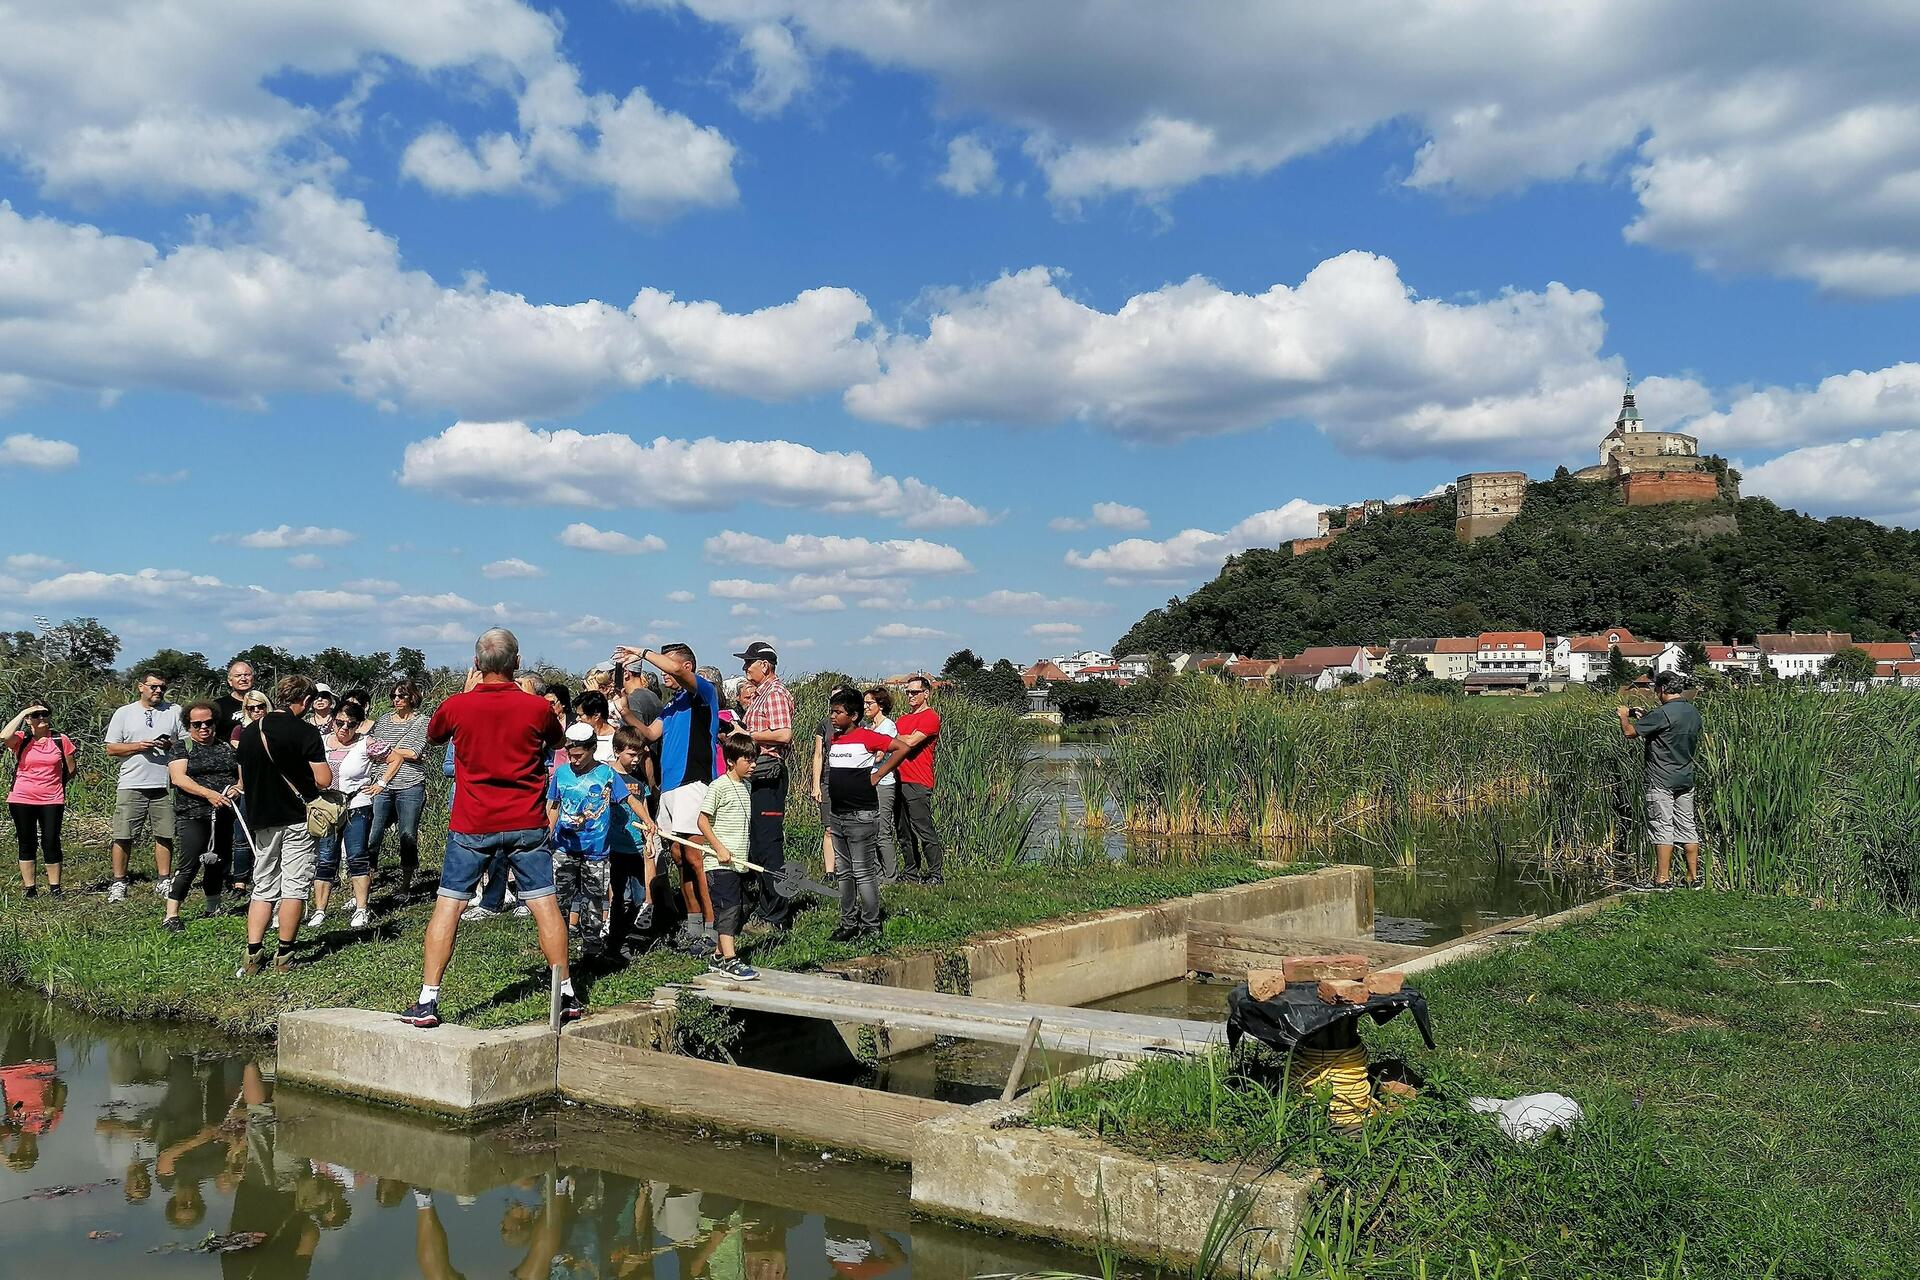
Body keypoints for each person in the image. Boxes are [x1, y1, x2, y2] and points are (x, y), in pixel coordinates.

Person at [406, 628, 573, 1028]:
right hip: (526, 821)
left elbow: (433, 736)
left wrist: (464, 693)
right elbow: (556, 740)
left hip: (472, 822)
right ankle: (564, 992)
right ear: (517, 663)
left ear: (477, 664)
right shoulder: (537, 708)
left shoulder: (457, 706)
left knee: (449, 904)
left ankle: (428, 1000)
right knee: (544, 904)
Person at [611, 642, 719, 954]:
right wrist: (627, 712)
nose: (663, 673)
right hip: (670, 788)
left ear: (687, 667)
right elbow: (651, 734)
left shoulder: (703, 694)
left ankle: (712, 929)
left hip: (693, 782)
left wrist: (642, 653)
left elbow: (673, 668)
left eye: (668, 666)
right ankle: (693, 923)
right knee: (676, 854)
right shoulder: (673, 705)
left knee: (696, 857)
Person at [233, 676, 332, 975]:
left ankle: (253, 954)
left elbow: (244, 778)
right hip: (297, 816)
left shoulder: (249, 733)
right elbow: (324, 780)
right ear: (303, 700)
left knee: (263, 885)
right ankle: (285, 955)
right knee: (294, 886)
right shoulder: (305, 732)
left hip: (262, 817)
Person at [549, 721, 649, 961]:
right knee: (560, 899)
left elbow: (629, 800)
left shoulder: (607, 774)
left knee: (593, 900)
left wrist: (647, 820)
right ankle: (557, 949)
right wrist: (546, 833)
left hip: (596, 851)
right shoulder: (562, 774)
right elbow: (553, 806)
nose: (574, 761)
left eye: (579, 756)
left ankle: (592, 951)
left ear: (592, 749)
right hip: (564, 848)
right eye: (570, 756)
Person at [1618, 669, 1705, 890]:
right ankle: (1693, 878)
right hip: (1684, 777)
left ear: (1663, 689)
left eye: (1656, 688)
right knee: (1687, 825)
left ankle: (1662, 880)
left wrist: (1623, 715)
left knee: (1662, 826)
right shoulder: (1692, 712)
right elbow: (1669, 728)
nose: (1656, 692)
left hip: (1660, 779)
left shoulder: (1663, 713)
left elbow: (1630, 733)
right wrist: (1646, 716)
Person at [103, 670, 184, 903]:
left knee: (165, 833)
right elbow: (111, 748)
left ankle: (164, 879)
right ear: (141, 687)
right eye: (154, 686)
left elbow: (186, 743)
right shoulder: (125, 713)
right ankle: (119, 882)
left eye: (162, 688)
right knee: (123, 834)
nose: (158, 691)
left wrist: (169, 744)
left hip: (164, 783)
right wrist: (139, 746)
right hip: (131, 782)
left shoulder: (174, 711)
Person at [823, 689, 895, 943]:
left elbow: (901, 747)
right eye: (832, 711)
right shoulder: (835, 740)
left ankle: (871, 924)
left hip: (861, 815)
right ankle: (848, 922)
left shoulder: (867, 737)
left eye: (838, 712)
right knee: (844, 872)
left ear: (853, 715)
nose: (833, 716)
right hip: (838, 815)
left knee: (863, 872)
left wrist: (877, 774)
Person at [162, 702, 239, 930]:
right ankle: (171, 914)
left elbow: (240, 776)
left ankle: (212, 906)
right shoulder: (182, 748)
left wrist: (237, 788)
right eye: (197, 724)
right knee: (190, 863)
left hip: (223, 814)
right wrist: (208, 794)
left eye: (209, 722)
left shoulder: (225, 748)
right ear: (189, 726)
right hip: (193, 814)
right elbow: (179, 778)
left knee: (218, 861)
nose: (204, 727)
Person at [735, 642, 795, 929]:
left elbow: (784, 734)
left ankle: (776, 914)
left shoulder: (775, 693)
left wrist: (746, 734)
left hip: (769, 773)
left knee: (769, 845)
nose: (745, 668)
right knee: (757, 845)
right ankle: (766, 907)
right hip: (757, 773)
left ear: (765, 665)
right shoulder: (761, 695)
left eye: (750, 663)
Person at [696, 734, 761, 979]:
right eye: (748, 760)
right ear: (731, 761)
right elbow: (702, 821)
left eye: (755, 759)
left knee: (744, 906)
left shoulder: (747, 785)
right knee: (729, 908)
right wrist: (719, 848)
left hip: (740, 862)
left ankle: (718, 955)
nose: (753, 765)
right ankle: (730, 960)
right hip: (719, 862)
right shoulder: (719, 786)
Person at [309, 700, 375, 930]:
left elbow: (394, 758)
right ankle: (319, 910)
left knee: (357, 855)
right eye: (340, 722)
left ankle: (361, 908)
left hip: (356, 804)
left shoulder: (366, 743)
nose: (344, 728)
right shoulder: (321, 743)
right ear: (333, 720)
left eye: (351, 724)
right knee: (326, 858)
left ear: (359, 725)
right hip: (328, 806)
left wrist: (381, 783)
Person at [875, 675, 944, 885]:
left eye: (914, 692)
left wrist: (890, 739)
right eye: (907, 692)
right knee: (902, 830)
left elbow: (911, 742)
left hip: (918, 781)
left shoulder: (930, 717)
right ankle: (911, 872)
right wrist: (893, 739)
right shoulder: (903, 720)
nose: (910, 696)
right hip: (898, 779)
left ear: (926, 693)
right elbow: (896, 741)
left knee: (923, 828)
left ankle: (935, 874)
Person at [366, 681, 430, 892]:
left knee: (408, 834)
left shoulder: (422, 721)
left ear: (412, 697)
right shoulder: (384, 720)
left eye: (401, 696)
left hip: (410, 784)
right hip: (381, 784)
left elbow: (415, 751)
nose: (396, 700)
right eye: (393, 695)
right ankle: (367, 879)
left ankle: (406, 883)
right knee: (373, 833)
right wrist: (394, 751)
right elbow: (373, 749)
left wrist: (387, 750)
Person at [6, 702, 76, 896]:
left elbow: (71, 770)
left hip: (52, 798)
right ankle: (30, 888)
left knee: (51, 840)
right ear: (28, 719)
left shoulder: (60, 739)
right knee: (26, 841)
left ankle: (55, 887)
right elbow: (4, 736)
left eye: (45, 714)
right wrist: (22, 713)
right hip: (21, 797)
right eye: (36, 715)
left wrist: (54, 784)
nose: (41, 718)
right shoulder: (22, 738)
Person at [606, 726, 659, 952]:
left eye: (639, 754)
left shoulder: (639, 780)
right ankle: (614, 938)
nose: (636, 759)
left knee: (639, 896)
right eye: (631, 754)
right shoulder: (606, 775)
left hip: (636, 846)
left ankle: (633, 937)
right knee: (619, 895)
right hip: (614, 845)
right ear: (617, 751)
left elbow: (644, 806)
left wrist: (648, 835)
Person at [862, 687, 901, 883]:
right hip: (868, 782)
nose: (865, 706)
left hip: (884, 783)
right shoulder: (869, 729)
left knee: (883, 831)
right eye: (865, 703)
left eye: (869, 703)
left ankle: (890, 876)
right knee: (870, 829)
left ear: (881, 705)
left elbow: (878, 754)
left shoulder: (888, 726)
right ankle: (876, 873)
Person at [213, 660, 255, 741]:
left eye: (247, 675)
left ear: (253, 678)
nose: (243, 679)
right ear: (230, 681)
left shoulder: (263, 702)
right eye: (238, 675)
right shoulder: (218, 705)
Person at [573, 690, 618, 764]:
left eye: (581, 715)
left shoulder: (617, 738)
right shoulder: (576, 736)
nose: (577, 719)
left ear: (596, 715)